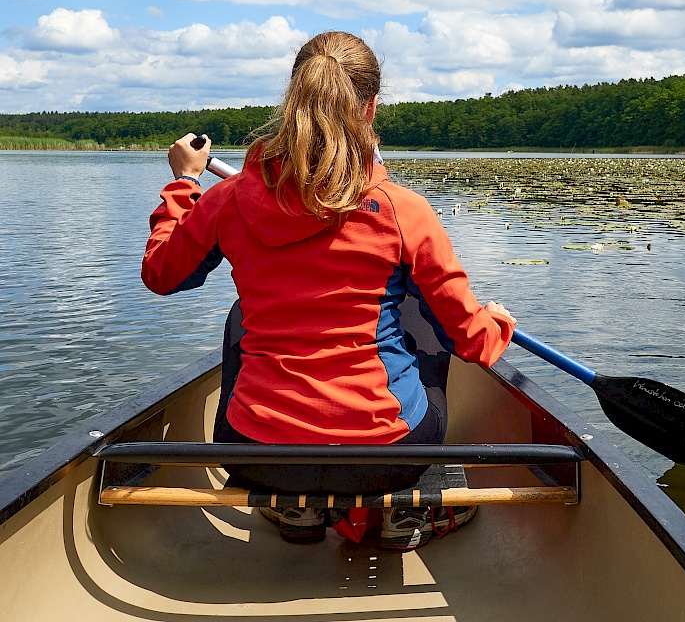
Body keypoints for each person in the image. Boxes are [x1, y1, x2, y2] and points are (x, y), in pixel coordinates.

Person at [142, 31, 515, 548]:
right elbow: (473, 341)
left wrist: (185, 183)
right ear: (372, 107)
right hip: (385, 462)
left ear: (292, 97)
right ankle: (400, 516)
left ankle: (297, 511)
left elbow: (162, 273)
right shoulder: (404, 211)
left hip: (256, 455)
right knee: (420, 318)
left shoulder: (228, 201)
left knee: (240, 316)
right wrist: (497, 322)